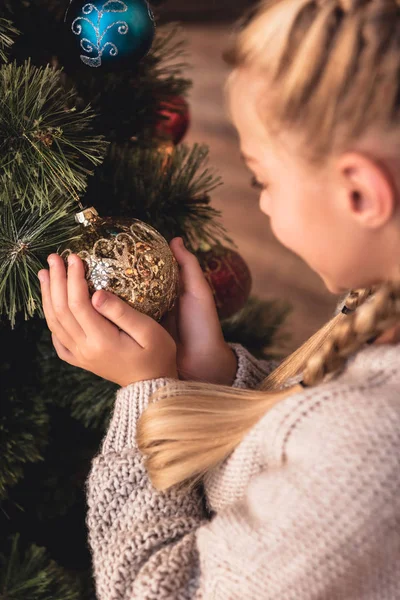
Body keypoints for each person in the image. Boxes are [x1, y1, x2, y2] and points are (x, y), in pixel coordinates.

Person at [38, 0, 400, 596]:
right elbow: (288, 458)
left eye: (263, 179)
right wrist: (219, 378)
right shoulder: (376, 315)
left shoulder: (367, 453)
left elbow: (158, 588)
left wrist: (145, 399)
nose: (259, 200)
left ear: (359, 193)